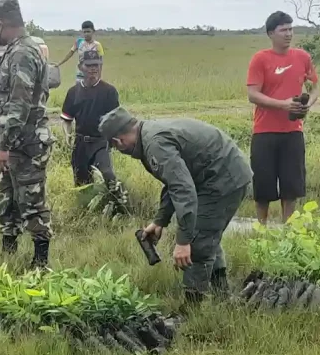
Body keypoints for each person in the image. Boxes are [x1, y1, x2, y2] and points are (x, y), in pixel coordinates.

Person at [98, 107, 253, 306]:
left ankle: (194, 309)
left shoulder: (155, 144)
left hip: (223, 177)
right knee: (205, 234)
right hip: (213, 175)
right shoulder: (148, 134)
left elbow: (183, 188)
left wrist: (183, 241)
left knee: (198, 242)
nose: (119, 150)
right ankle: (222, 297)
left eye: (115, 145)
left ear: (118, 141)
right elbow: (173, 181)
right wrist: (160, 221)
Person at [0, 0, 54, 269]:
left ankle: (41, 264)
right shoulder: (18, 50)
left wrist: (3, 146)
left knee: (31, 202)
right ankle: (8, 256)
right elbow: (10, 98)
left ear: (0, 23)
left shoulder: (22, 53)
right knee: (7, 199)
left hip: (25, 144)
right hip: (15, 142)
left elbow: (21, 104)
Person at [246, 11, 319, 225]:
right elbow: (253, 94)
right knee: (263, 187)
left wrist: (307, 105)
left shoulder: (302, 57)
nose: (289, 34)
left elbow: (315, 88)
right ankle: (262, 230)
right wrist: (283, 104)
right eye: (283, 30)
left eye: (290, 29)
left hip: (293, 130)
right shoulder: (260, 59)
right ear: (271, 33)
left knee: (291, 187)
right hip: (264, 131)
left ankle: (289, 231)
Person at [61, 49, 128, 212]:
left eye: (97, 65)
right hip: (80, 143)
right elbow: (66, 119)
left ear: (101, 66)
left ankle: (120, 211)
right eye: (89, 65)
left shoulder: (109, 92)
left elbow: (116, 120)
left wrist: (118, 138)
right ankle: (85, 215)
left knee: (108, 177)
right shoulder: (73, 92)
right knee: (81, 183)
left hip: (100, 142)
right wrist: (67, 134)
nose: (93, 69)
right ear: (80, 66)